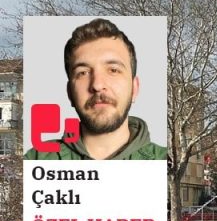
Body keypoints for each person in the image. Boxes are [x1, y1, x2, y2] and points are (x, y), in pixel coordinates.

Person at [25, 18, 166, 160]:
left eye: (113, 70)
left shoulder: (164, 163)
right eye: (83, 73)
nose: (97, 85)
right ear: (69, 93)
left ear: (134, 89)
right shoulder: (35, 159)